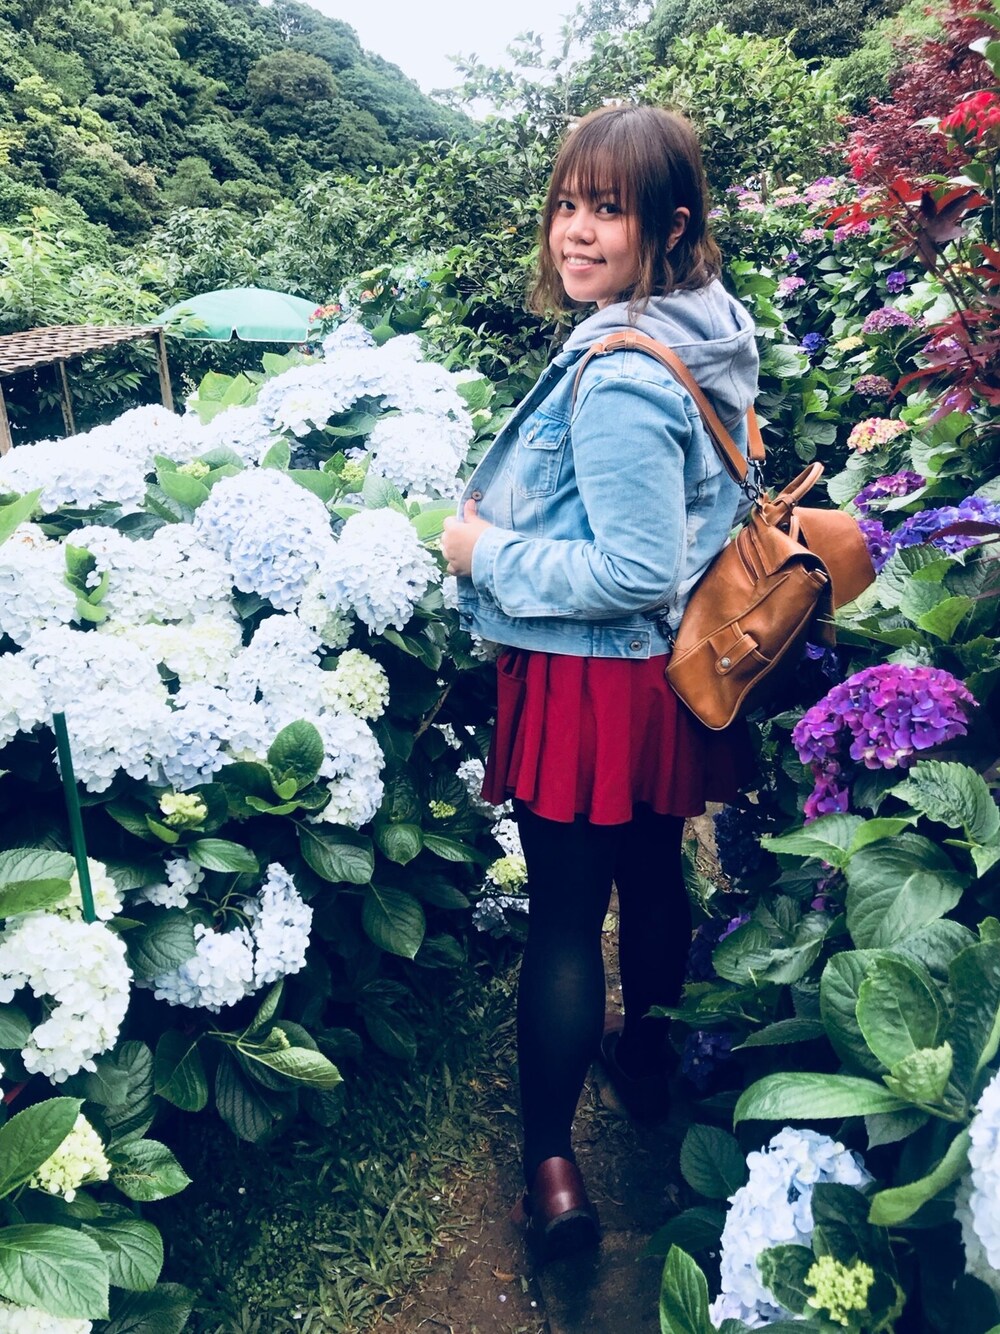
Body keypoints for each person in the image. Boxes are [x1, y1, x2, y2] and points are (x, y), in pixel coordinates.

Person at [441, 104, 758, 1263]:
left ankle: (551, 1171)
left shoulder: (622, 371)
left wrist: (481, 552)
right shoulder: (706, 326)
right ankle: (647, 1058)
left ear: (666, 225)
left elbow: (631, 570)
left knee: (569, 921)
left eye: (607, 210)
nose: (575, 232)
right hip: (667, 678)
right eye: (567, 203)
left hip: (591, 677)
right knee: (654, 875)